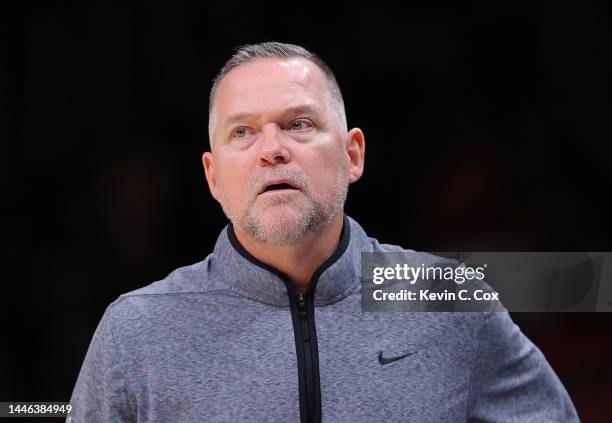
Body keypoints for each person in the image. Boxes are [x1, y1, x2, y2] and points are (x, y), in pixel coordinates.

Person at [67, 42, 579, 422]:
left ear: (353, 154)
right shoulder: (137, 331)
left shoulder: (446, 296)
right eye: (242, 132)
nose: (272, 149)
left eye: (299, 124)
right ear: (212, 176)